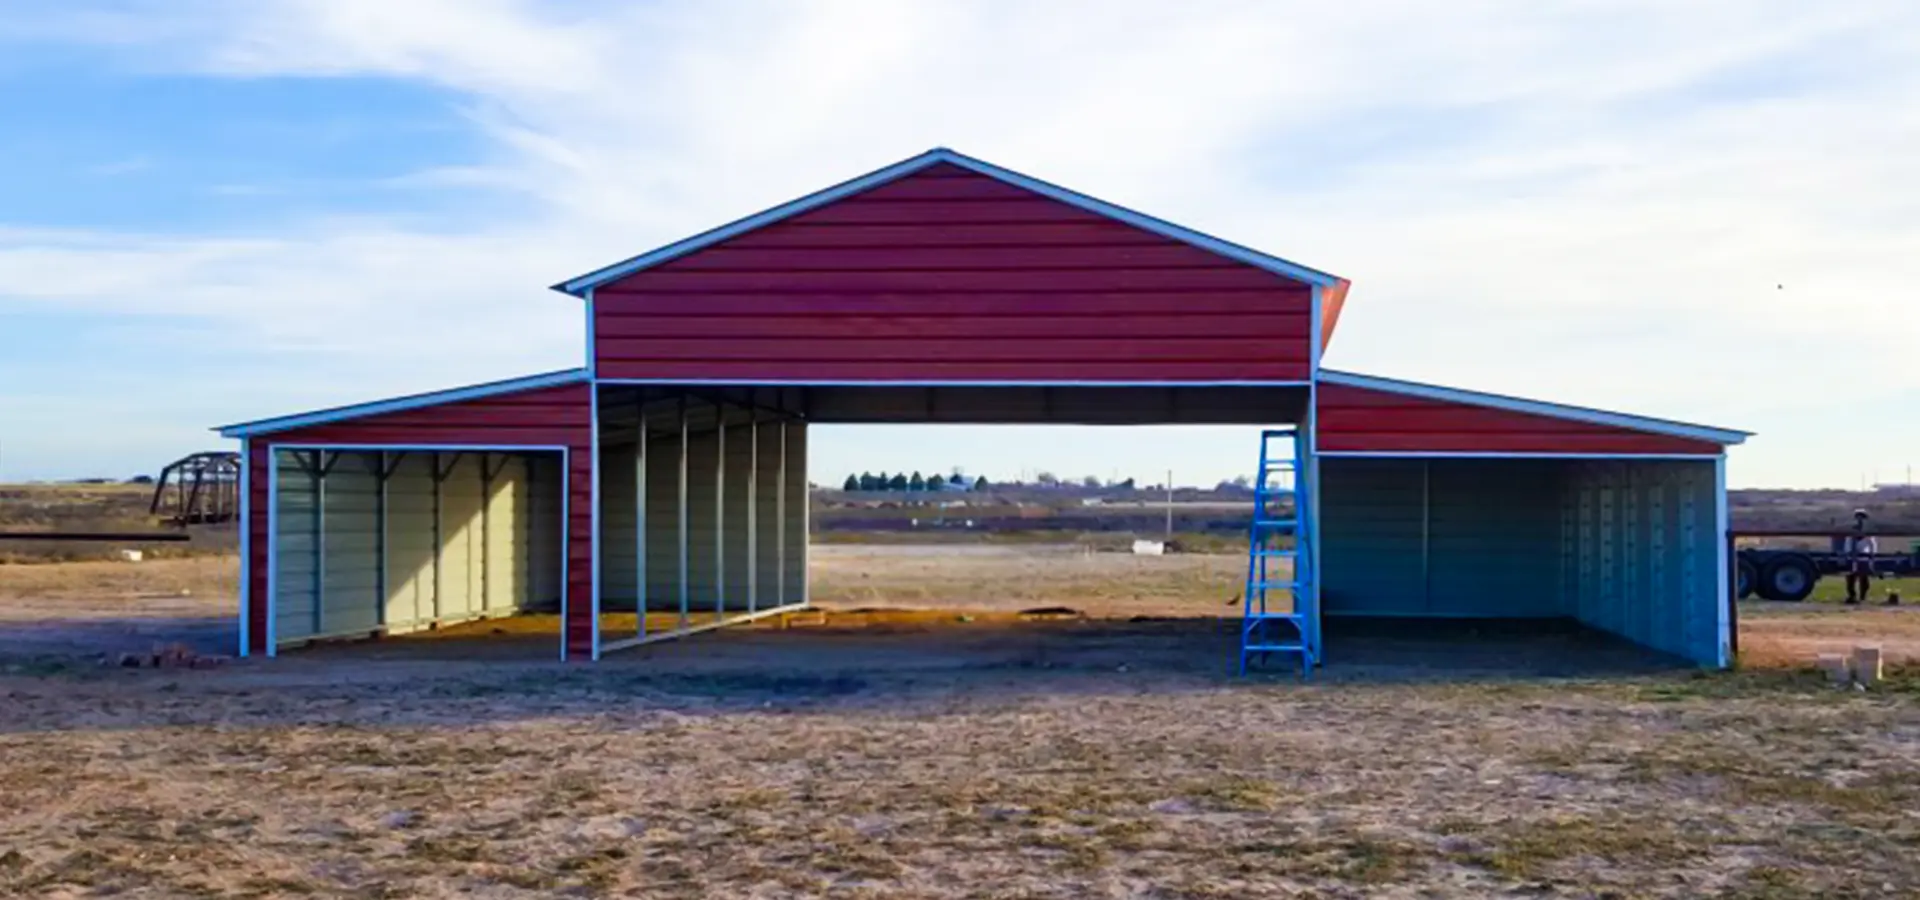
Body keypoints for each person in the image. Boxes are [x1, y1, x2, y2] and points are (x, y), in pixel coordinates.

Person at [1844, 509, 1878, 605]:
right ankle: (1852, 596)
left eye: (1862, 517)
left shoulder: (1868, 534)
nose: (1860, 520)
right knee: (1851, 578)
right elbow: (1848, 544)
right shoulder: (1851, 532)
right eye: (1858, 517)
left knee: (1864, 578)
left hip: (1864, 558)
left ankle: (1862, 597)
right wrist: (1848, 554)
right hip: (1853, 558)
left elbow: (1872, 545)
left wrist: (1872, 556)